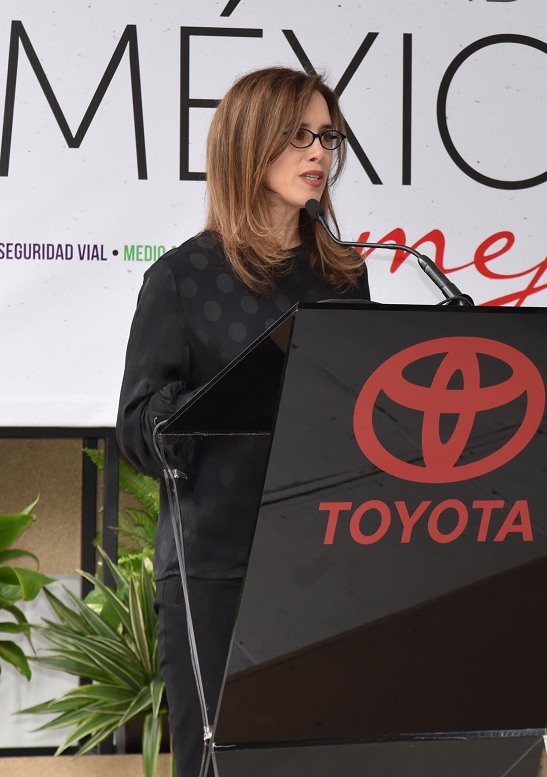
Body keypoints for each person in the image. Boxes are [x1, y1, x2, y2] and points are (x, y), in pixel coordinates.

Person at [116, 67, 370, 777]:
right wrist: (213, 406)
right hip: (216, 567)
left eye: (327, 137)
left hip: (324, 557)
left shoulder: (345, 276)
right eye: (299, 135)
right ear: (248, 144)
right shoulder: (181, 278)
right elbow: (136, 426)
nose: (318, 152)